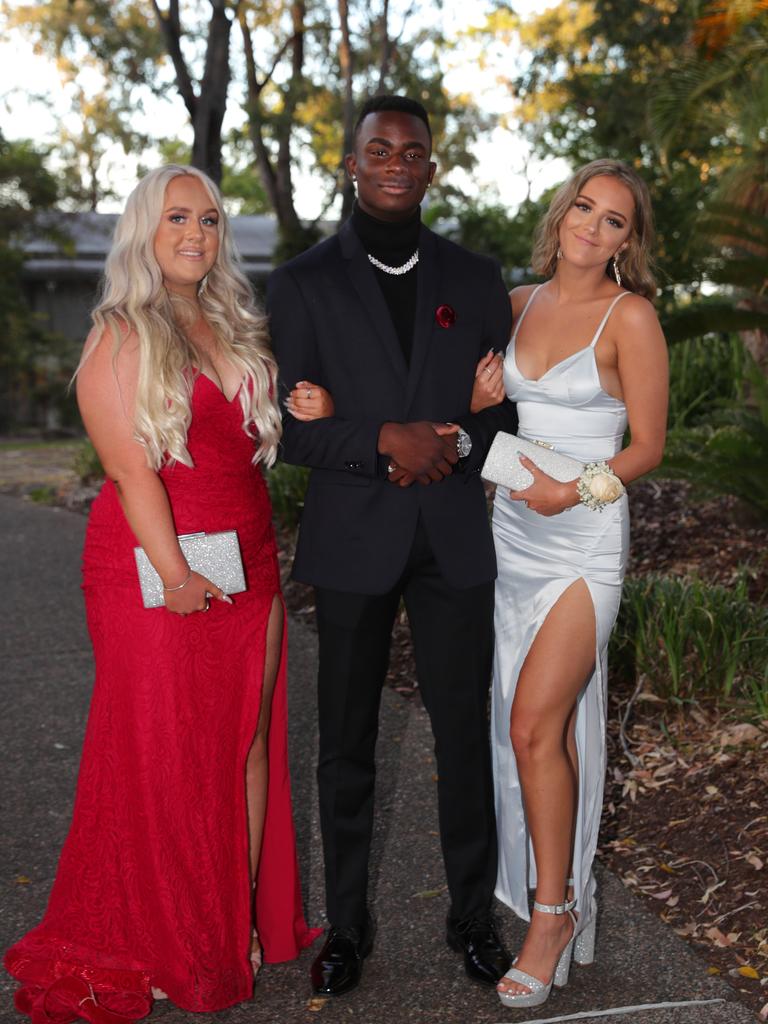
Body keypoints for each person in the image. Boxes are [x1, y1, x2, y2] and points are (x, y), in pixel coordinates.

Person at [4, 165, 318, 1023]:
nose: (196, 233)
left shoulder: (227, 320)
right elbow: (128, 469)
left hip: (246, 554)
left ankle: (236, 914)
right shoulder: (118, 332)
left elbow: (246, 439)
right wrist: (177, 575)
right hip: (154, 564)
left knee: (244, 742)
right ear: (146, 227)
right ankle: (167, 929)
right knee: (165, 751)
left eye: (210, 220)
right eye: (178, 216)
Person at [266, 95, 519, 997]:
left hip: (451, 537)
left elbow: (504, 419)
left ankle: (471, 921)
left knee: (464, 736)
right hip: (354, 541)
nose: (397, 162)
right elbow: (292, 435)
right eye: (380, 149)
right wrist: (383, 440)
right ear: (352, 163)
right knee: (347, 743)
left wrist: (450, 440)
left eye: (413, 151)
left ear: (432, 167)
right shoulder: (302, 284)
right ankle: (347, 928)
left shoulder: (475, 277)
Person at [489, 160, 668, 1009]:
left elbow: (645, 447)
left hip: (584, 538)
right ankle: (563, 896)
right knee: (538, 730)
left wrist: (574, 490)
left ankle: (550, 912)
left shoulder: (629, 316)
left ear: (630, 243)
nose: (592, 229)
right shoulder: (517, 304)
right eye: (585, 210)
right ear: (562, 214)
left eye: (615, 222)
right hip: (511, 533)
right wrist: (481, 399)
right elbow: (494, 418)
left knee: (532, 726)